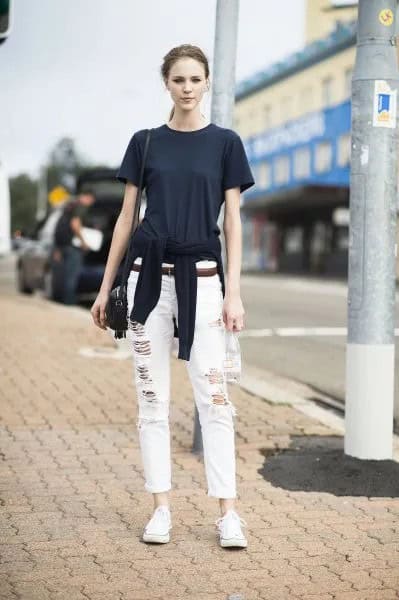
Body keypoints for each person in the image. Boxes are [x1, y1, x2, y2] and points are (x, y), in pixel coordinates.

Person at [90, 44, 255, 549]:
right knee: (152, 401)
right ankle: (160, 508)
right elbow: (126, 217)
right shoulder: (145, 144)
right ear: (167, 84)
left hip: (204, 281)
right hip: (147, 283)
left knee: (216, 399)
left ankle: (228, 514)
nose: (187, 87)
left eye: (195, 79)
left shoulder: (226, 143)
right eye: (178, 79)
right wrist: (104, 287)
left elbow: (232, 222)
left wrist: (235, 294)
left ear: (207, 84)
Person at [54, 190, 95, 305]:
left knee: (66, 275)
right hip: (72, 247)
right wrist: (84, 242)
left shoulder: (70, 206)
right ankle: (69, 303)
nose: (91, 203)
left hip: (63, 245)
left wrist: (57, 248)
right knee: (72, 276)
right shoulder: (80, 207)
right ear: (88, 197)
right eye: (91, 200)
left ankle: (63, 300)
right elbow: (75, 224)